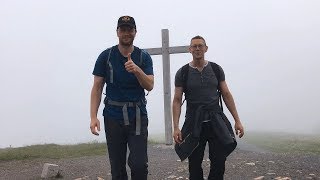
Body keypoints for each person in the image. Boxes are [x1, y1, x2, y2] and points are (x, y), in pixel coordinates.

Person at [90, 15, 154, 180]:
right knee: (117, 167)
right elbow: (97, 87)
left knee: (139, 164)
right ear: (117, 32)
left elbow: (150, 85)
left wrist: (137, 70)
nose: (127, 33)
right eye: (123, 29)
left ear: (135, 32)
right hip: (113, 116)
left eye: (130, 29)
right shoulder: (106, 56)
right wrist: (93, 117)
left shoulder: (143, 56)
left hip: (137, 116)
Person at [172, 35, 244, 180]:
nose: (197, 48)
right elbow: (177, 99)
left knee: (219, 162)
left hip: (216, 121)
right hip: (193, 123)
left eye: (200, 45)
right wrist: (176, 127)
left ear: (206, 48)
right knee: (194, 164)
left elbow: (226, 94)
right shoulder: (183, 72)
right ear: (189, 49)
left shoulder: (216, 69)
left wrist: (237, 120)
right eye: (194, 46)